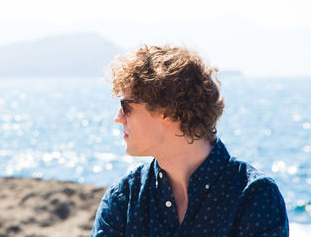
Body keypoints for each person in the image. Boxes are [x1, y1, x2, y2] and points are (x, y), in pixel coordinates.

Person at [91, 44, 289, 236]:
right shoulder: (124, 198)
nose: (118, 118)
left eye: (126, 106)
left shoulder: (255, 196)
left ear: (167, 111)